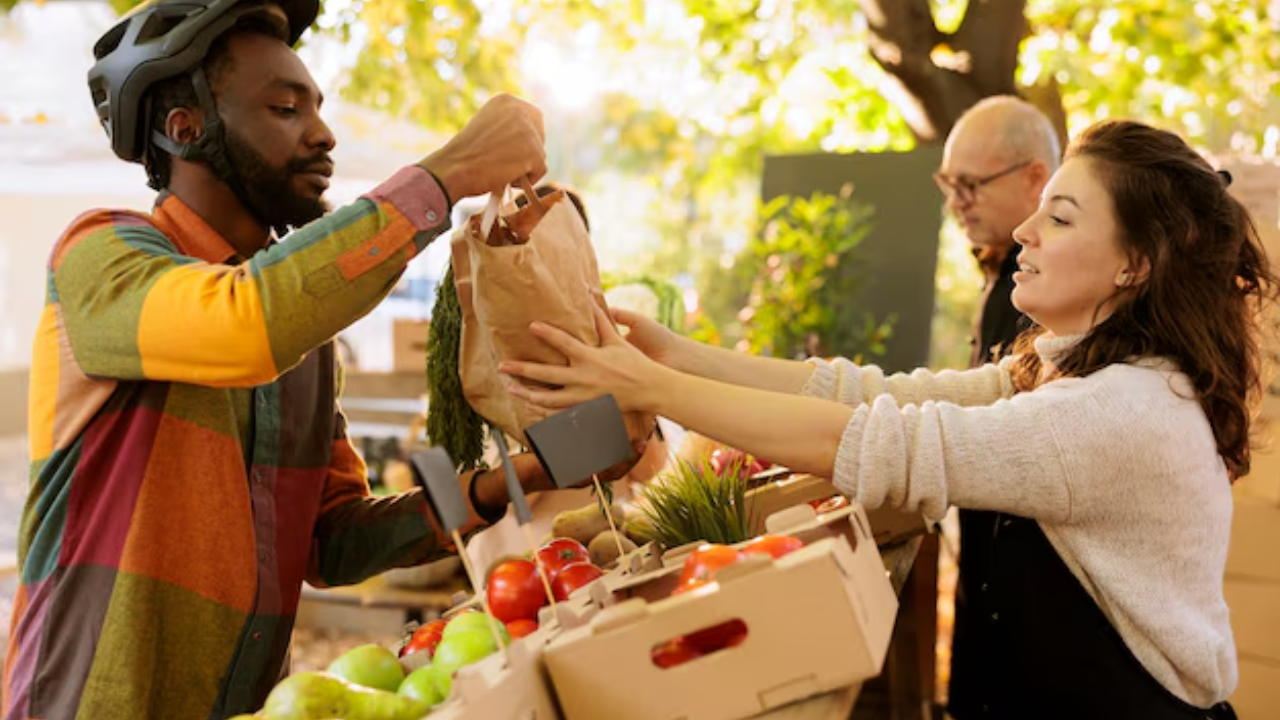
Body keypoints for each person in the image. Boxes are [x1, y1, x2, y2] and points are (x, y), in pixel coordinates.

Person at [500, 119, 1272, 718]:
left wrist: (650, 387)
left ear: (1134, 264)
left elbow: (873, 443)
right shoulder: (1074, 374)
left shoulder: (1124, 412)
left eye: (1060, 219)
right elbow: (870, 397)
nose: (1026, 234)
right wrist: (675, 358)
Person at [0, 1, 627, 718]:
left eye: (317, 108)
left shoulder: (303, 338)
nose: (322, 134)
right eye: (285, 108)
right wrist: (449, 172)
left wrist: (524, 476)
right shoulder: (102, 256)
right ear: (186, 129)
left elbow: (332, 538)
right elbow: (245, 323)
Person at [934, 95, 1061, 718]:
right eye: (948, 184)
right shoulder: (1005, 275)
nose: (956, 201)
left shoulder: (1044, 292)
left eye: (970, 184)